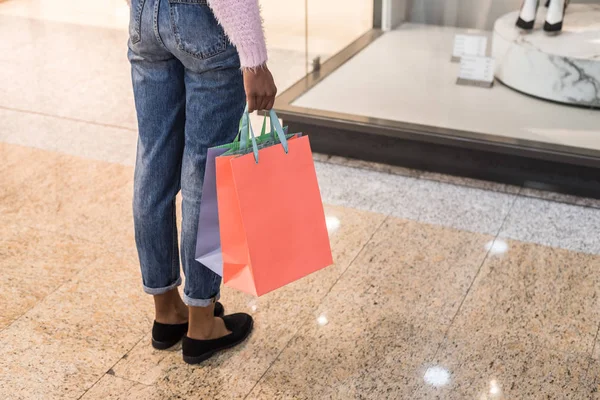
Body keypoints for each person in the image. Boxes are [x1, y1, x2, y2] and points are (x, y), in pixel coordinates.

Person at [127, 0, 276, 364]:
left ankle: (167, 313)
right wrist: (254, 60)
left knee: (153, 162)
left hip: (144, 17)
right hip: (203, 22)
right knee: (204, 175)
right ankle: (201, 323)